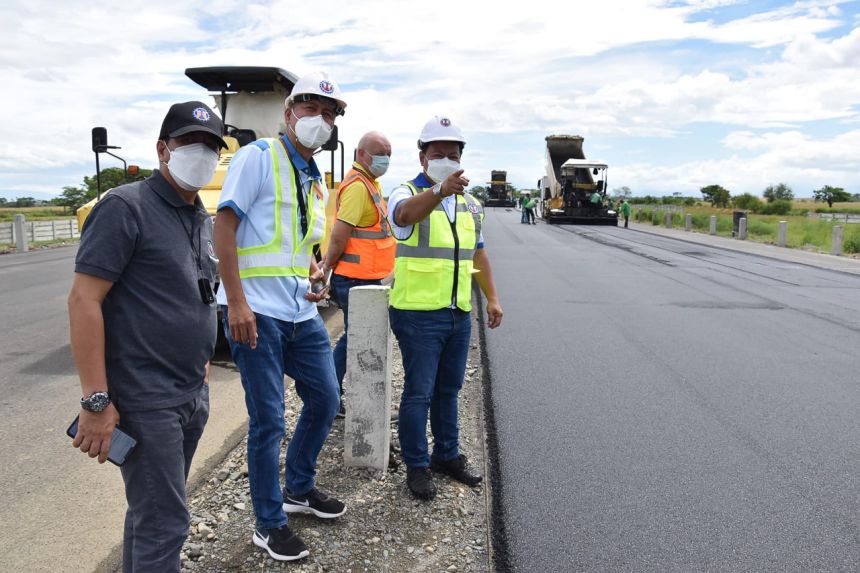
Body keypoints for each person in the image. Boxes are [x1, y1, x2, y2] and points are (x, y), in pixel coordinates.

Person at [68, 101, 226, 572]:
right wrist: (96, 401)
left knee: (150, 516)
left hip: (189, 393)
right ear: (163, 149)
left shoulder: (198, 215)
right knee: (166, 523)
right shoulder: (125, 207)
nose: (202, 154)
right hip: (145, 398)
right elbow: (83, 301)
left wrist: (199, 359)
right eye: (190, 143)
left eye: (212, 147)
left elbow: (190, 294)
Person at [213, 72, 347, 563]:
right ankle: (269, 524)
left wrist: (315, 273)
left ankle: (299, 487)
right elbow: (223, 229)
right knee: (268, 419)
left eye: (329, 114)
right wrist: (237, 302)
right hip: (258, 312)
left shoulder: (313, 178)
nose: (321, 120)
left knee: (326, 397)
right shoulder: (259, 158)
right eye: (312, 109)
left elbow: (297, 246)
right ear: (289, 113)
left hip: (299, 310)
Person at [386, 116, 504, 500]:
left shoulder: (471, 204)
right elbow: (404, 218)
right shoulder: (404, 192)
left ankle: (446, 455)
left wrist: (492, 298)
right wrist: (438, 190)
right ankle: (417, 466)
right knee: (418, 393)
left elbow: (478, 254)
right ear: (422, 157)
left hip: (457, 311)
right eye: (438, 155)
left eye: (452, 155)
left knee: (449, 390)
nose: (446, 161)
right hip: (418, 313)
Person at [322, 131, 396, 416]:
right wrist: (327, 267)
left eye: (389, 153)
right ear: (362, 154)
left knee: (357, 336)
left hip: (365, 276)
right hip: (354, 277)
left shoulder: (370, 182)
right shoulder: (357, 186)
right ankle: (330, 395)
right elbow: (340, 234)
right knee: (356, 337)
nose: (386, 159)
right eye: (381, 153)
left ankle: (334, 395)